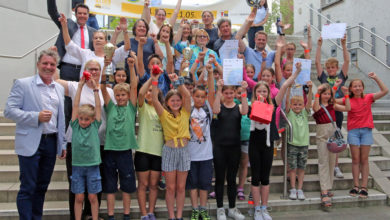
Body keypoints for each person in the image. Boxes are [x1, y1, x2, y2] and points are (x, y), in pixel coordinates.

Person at [4, 49, 66, 220]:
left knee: (42, 186)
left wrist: (62, 143)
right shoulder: (23, 84)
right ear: (38, 64)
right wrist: (35, 117)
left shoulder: (59, 89)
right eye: (45, 63)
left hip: (51, 141)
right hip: (31, 142)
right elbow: (9, 111)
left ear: (56, 67)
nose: (48, 67)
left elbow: (61, 119)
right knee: (28, 187)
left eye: (52, 64)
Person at [55, 59, 116, 220]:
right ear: (84, 70)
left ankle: (90, 215)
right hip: (75, 145)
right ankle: (75, 216)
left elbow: (106, 112)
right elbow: (55, 81)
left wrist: (97, 89)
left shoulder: (107, 91)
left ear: (101, 71)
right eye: (91, 69)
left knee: (95, 187)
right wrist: (55, 61)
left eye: (97, 69)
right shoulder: (76, 87)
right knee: (76, 189)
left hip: (99, 143)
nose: (94, 72)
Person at [249, 63, 302, 220]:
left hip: (268, 144)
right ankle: (256, 208)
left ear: (268, 92)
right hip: (254, 144)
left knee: (265, 177)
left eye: (265, 91)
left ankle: (264, 208)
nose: (262, 93)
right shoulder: (251, 105)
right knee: (255, 177)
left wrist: (297, 71)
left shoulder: (273, 104)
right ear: (255, 92)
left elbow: (285, 85)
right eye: (259, 91)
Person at [47, 0, 96, 129]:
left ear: (88, 15)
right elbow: (52, 12)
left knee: (83, 103)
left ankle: (79, 135)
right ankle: (64, 139)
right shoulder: (67, 24)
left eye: (84, 14)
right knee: (66, 106)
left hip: (85, 72)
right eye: (79, 13)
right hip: (67, 69)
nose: (82, 16)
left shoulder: (93, 32)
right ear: (75, 12)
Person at [100, 56, 138, 220]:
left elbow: (135, 86)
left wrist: (132, 66)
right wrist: (105, 67)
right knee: (109, 187)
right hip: (109, 151)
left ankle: (126, 214)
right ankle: (110, 215)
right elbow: (102, 88)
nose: (121, 97)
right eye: (118, 95)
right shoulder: (110, 107)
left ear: (128, 96)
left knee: (127, 186)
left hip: (125, 152)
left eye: (124, 94)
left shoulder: (131, 107)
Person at [339, 73, 388, 198]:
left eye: (359, 86)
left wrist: (376, 78)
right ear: (351, 89)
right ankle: (356, 185)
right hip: (353, 131)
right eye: (354, 86)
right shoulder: (347, 99)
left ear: (363, 88)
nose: (357, 88)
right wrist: (337, 88)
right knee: (355, 159)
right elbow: (331, 101)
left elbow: (385, 91)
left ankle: (364, 187)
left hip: (366, 131)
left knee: (364, 159)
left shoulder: (368, 97)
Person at [151, 73, 192, 220]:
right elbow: (155, 99)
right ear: (167, 103)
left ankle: (179, 216)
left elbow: (187, 96)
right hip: (169, 151)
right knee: (170, 187)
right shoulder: (164, 114)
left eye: (177, 100)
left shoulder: (185, 112)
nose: (175, 103)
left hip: (184, 151)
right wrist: (155, 80)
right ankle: (171, 216)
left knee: (181, 188)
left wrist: (178, 83)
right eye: (172, 100)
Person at [213, 80, 248, 220]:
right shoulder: (219, 107)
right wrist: (218, 89)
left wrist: (244, 91)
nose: (228, 95)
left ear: (234, 93)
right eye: (226, 93)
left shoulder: (239, 107)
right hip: (220, 148)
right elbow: (215, 110)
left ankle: (232, 208)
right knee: (220, 178)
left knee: (232, 179)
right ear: (223, 93)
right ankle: (220, 208)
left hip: (234, 148)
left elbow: (245, 111)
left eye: (231, 93)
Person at [316, 35, 350, 179]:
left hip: (336, 112)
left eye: (333, 67)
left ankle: (336, 166)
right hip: (324, 113)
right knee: (325, 139)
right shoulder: (323, 78)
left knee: (336, 137)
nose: (330, 69)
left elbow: (347, 60)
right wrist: (318, 45)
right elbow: (317, 61)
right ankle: (326, 166)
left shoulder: (341, 77)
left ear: (337, 68)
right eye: (328, 68)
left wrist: (344, 45)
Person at [312, 82, 350, 207]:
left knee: (332, 162)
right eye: (324, 93)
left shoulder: (333, 105)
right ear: (320, 94)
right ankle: (324, 191)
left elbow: (347, 108)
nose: (327, 96)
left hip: (333, 134)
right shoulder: (317, 103)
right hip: (322, 134)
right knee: (323, 161)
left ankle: (328, 188)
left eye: (329, 94)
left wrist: (347, 96)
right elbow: (316, 108)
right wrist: (317, 92)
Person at [59, 14, 130, 79]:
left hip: (104, 91)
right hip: (85, 90)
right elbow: (69, 45)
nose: (98, 40)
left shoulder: (111, 55)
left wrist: (125, 30)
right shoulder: (86, 53)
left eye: (101, 38)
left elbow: (126, 47)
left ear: (106, 42)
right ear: (92, 41)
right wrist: (65, 26)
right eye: (96, 38)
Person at [70, 76, 102, 220]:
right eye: (81, 118)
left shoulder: (95, 125)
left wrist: (96, 89)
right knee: (79, 197)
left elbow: (98, 106)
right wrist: (80, 87)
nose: (83, 122)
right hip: (77, 166)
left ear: (92, 119)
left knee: (92, 197)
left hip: (93, 166)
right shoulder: (75, 125)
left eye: (86, 119)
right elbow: (75, 105)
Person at [187, 64, 215, 220]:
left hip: (206, 155)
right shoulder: (188, 109)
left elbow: (211, 91)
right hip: (190, 155)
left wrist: (210, 74)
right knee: (192, 185)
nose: (199, 99)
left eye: (202, 97)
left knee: (204, 184)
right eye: (196, 96)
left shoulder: (207, 109)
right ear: (192, 96)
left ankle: (203, 209)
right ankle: (195, 209)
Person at [135, 78, 165, 220]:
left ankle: (151, 212)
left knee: (153, 185)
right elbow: (140, 94)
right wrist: (152, 79)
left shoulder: (163, 110)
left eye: (152, 91)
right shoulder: (143, 107)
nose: (149, 93)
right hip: (143, 151)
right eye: (148, 91)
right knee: (143, 184)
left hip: (158, 152)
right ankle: (143, 214)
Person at [285, 81, 313, 200]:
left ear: (303, 105)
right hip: (292, 143)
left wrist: (310, 89)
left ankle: (300, 189)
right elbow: (286, 102)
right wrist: (288, 89)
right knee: (292, 168)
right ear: (291, 106)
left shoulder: (305, 113)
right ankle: (293, 188)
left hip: (303, 144)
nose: (297, 106)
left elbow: (309, 103)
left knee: (301, 168)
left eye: (299, 104)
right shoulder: (289, 112)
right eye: (295, 104)